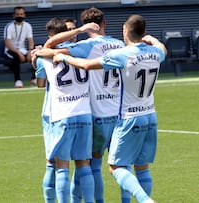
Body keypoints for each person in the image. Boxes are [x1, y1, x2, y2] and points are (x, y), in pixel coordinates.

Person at [53, 14, 167, 203]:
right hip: (151, 116)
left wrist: (63, 58)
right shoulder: (155, 51)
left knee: (116, 167)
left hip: (130, 116)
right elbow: (163, 49)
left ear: (126, 31)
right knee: (142, 167)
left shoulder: (122, 54)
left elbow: (88, 65)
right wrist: (152, 39)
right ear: (143, 32)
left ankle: (145, 200)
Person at [33, 7, 131, 203]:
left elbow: (41, 78)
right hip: (108, 112)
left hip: (70, 113)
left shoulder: (82, 48)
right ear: (104, 23)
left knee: (59, 165)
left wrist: (36, 53)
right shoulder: (118, 45)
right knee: (111, 164)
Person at [35, 18, 100, 203]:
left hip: (61, 113)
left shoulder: (43, 55)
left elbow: (40, 84)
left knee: (60, 165)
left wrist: (36, 57)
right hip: (84, 113)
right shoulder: (81, 50)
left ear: (50, 35)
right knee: (83, 164)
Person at [3, 6, 36, 88]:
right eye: (17, 14)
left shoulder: (27, 26)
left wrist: (30, 51)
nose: (19, 16)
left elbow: (30, 40)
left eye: (21, 14)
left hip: (23, 49)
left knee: (36, 55)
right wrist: (18, 53)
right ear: (13, 15)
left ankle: (34, 78)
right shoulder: (9, 26)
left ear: (24, 15)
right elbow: (7, 43)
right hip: (10, 50)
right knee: (16, 57)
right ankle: (18, 80)